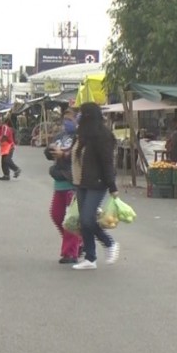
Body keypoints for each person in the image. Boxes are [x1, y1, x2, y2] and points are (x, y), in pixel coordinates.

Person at [70, 102, 120, 270]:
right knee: (84, 222)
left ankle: (109, 243)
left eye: (82, 114)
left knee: (87, 218)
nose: (79, 117)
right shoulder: (83, 135)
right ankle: (90, 258)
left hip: (97, 183)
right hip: (81, 182)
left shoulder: (103, 136)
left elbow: (107, 162)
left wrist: (112, 187)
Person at [45, 109, 82, 264]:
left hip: (73, 182)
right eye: (65, 119)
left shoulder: (80, 137)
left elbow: (79, 156)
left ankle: (70, 253)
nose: (66, 122)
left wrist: (64, 155)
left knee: (70, 219)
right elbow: (49, 154)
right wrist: (50, 151)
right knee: (56, 215)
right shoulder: (60, 136)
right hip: (59, 182)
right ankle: (78, 242)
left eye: (70, 119)